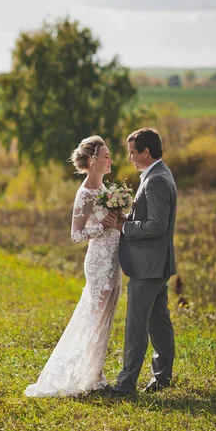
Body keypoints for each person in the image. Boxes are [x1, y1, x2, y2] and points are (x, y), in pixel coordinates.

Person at [25, 135, 121, 397]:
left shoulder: (104, 190)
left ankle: (95, 374)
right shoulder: (85, 194)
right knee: (93, 319)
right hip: (99, 263)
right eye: (106, 156)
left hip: (113, 262)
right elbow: (76, 235)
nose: (111, 160)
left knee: (105, 319)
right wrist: (102, 226)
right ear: (92, 161)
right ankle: (91, 378)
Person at [105, 128, 177, 396]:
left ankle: (125, 386)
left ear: (146, 152)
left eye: (133, 152)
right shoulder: (159, 174)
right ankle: (163, 378)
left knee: (137, 326)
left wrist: (124, 226)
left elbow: (157, 225)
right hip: (156, 264)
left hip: (149, 266)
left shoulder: (156, 179)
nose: (130, 157)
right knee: (158, 322)